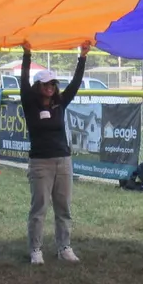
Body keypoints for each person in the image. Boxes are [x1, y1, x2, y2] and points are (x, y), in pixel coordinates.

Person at [20, 42, 88, 264]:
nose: (50, 87)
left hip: (63, 160)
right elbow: (23, 83)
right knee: (39, 208)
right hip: (40, 163)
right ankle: (35, 250)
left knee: (64, 208)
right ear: (38, 86)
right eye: (46, 83)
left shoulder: (60, 103)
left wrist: (83, 57)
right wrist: (27, 55)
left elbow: (76, 84)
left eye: (53, 83)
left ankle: (64, 247)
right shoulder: (30, 104)